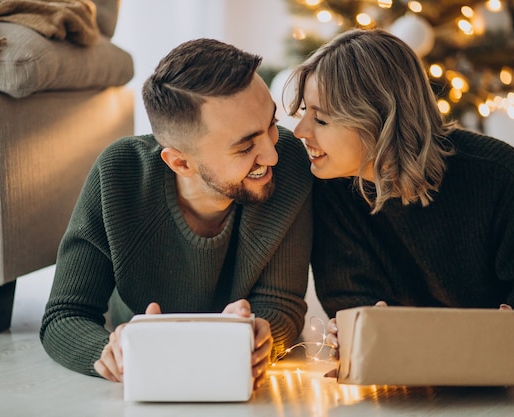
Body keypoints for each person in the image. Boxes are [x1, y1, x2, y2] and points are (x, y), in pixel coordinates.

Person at [285, 28, 514, 377]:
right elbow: (351, 306)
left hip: (507, 389)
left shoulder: (496, 173)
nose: (300, 130)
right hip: (395, 391)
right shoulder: (328, 188)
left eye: (320, 118)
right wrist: (351, 333)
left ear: (377, 119)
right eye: (304, 110)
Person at [40, 38, 313, 389]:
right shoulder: (119, 172)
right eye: (245, 146)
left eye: (271, 124)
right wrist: (115, 353)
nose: (271, 154)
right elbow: (65, 315)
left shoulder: (286, 160)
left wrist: (263, 339)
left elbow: (282, 303)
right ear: (180, 162)